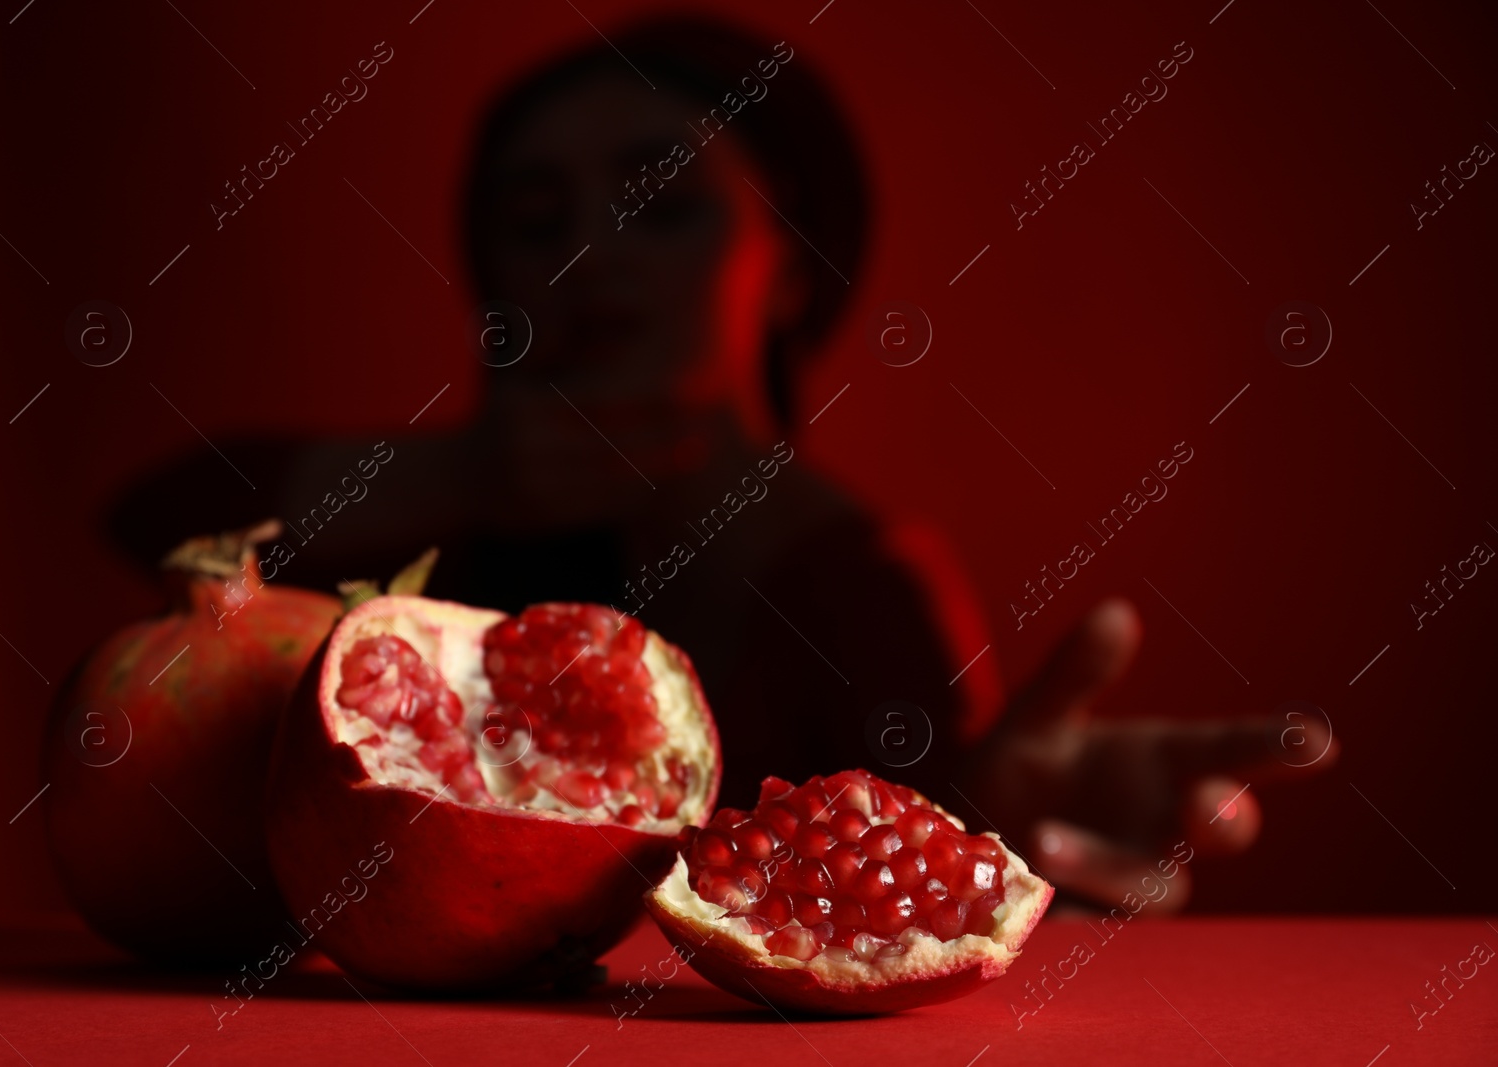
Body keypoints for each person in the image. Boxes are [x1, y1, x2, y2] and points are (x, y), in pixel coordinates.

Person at [113, 17, 1332, 913]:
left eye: (661, 203)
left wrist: (990, 819)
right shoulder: (429, 534)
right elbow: (160, 520)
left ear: (790, 264)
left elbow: (926, 818)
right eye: (535, 222)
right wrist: (455, 482)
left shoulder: (861, 579)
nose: (588, 257)